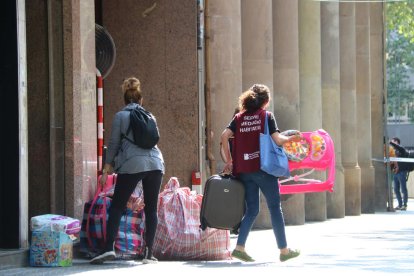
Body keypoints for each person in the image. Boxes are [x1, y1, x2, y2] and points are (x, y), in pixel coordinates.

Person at [220, 84, 301, 262]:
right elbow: (278, 140)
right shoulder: (267, 116)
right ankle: (284, 250)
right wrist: (292, 138)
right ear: (266, 101)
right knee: (274, 208)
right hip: (263, 169)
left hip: (243, 170)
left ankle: (239, 248)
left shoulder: (238, 117)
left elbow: (224, 136)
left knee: (251, 210)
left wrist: (229, 160)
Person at [90, 77, 165, 264]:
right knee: (152, 209)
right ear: (141, 100)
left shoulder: (120, 116)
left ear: (124, 99)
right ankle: (149, 254)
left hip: (132, 164)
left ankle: (108, 249)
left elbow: (114, 144)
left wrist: (106, 169)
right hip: (156, 163)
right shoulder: (150, 116)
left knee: (117, 205)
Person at [390, 137, 408, 211]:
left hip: (402, 172)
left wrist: (390, 142)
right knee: (396, 189)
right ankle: (400, 204)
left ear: (397, 142)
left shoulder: (402, 150)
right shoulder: (393, 151)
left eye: (393, 142)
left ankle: (404, 205)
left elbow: (398, 147)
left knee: (403, 189)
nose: (392, 143)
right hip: (396, 172)